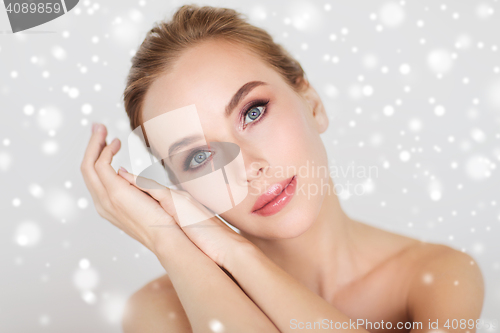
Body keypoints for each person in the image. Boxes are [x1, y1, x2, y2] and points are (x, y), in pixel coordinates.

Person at [80, 4, 484, 332]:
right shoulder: (158, 313)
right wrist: (171, 243)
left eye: (252, 112)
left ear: (312, 103)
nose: (249, 167)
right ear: (182, 189)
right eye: (199, 158)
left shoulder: (439, 275)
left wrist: (238, 254)